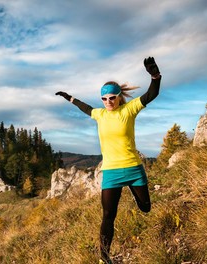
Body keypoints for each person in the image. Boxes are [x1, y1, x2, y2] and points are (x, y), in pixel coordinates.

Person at [55, 57, 161, 263]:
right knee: (108, 216)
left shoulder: (129, 110)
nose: (108, 102)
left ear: (119, 97)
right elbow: (84, 108)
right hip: (111, 173)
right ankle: (104, 256)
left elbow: (152, 94)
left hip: (133, 169)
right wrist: (69, 98)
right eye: (104, 99)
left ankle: (137, 197)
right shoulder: (100, 114)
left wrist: (155, 76)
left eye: (111, 98)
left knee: (146, 208)